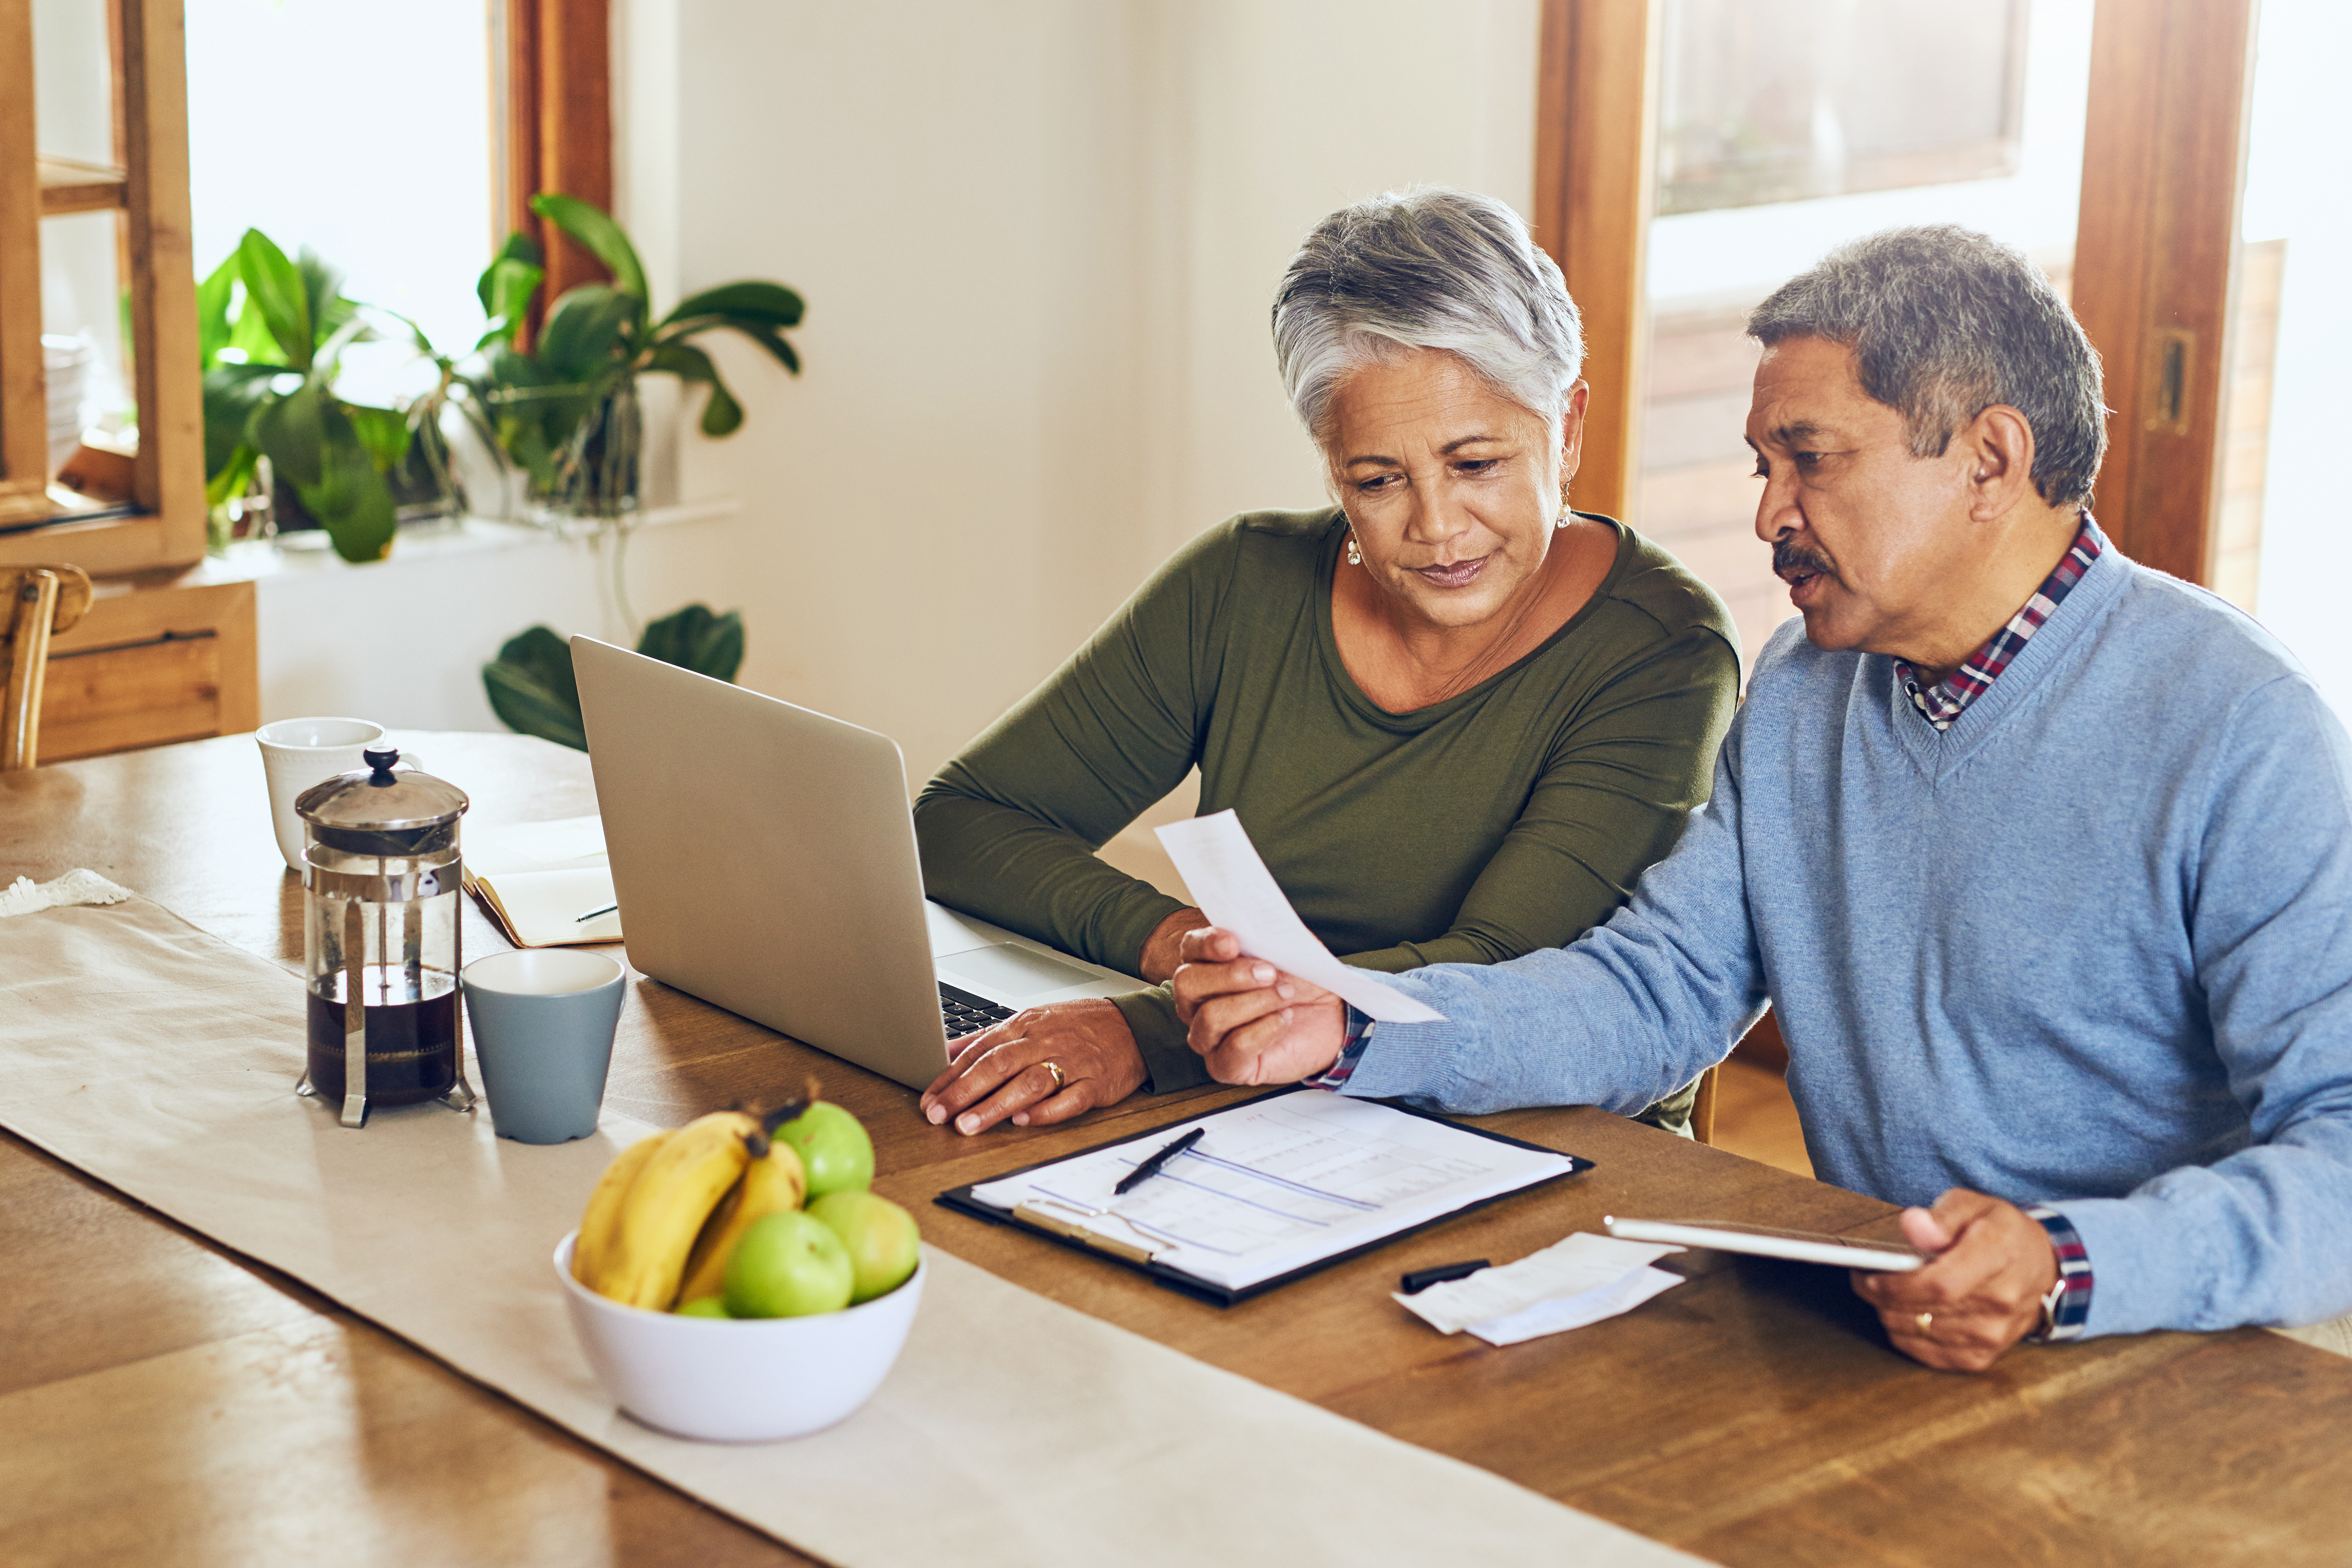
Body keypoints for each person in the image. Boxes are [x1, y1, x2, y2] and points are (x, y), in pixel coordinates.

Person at [1170, 224, 2352, 1371]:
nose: (1768, 512)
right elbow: (1661, 991)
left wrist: (2064, 1264)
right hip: (1875, 1329)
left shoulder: (2239, 726)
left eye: (1811, 457)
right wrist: (1355, 1024)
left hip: (2173, 1361)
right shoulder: (1806, 686)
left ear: (1989, 460)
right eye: (1762, 464)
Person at [911, 187, 1740, 1138]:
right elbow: (963, 823)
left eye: (1476, 465)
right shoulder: (1244, 582)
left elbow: (1506, 970)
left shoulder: (1662, 650)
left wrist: (1151, 1035)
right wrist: (1188, 954)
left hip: (1531, 1141)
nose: (1435, 527)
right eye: (1377, 479)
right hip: (1262, 1117)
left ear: (1568, 428)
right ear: (1328, 461)